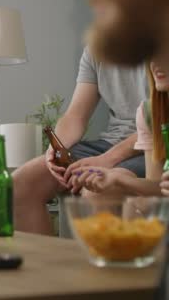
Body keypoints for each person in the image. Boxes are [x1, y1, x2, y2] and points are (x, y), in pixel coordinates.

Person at [13, 47, 147, 235]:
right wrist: (56, 148)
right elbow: (76, 116)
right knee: (20, 184)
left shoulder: (160, 42)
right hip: (109, 144)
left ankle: (101, 264)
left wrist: (108, 159)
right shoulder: (97, 49)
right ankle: (50, 264)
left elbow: (158, 123)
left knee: (97, 190)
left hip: (152, 146)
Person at [70, 61, 166, 197]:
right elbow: (156, 191)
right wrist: (115, 179)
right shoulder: (150, 113)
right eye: (153, 56)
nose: (156, 63)